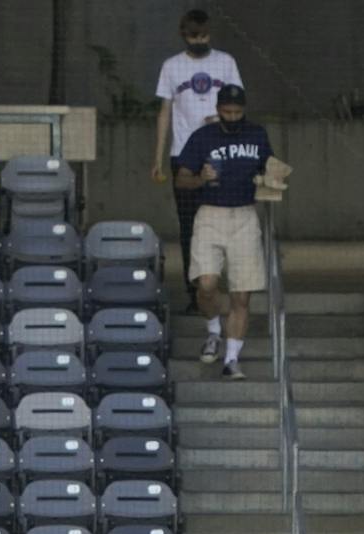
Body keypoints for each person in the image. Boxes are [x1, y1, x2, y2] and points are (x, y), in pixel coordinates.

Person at [175, 83, 272, 380]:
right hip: (210, 213)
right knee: (205, 284)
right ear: (217, 110)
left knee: (241, 295)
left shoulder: (257, 134)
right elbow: (181, 180)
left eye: (237, 112)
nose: (232, 117)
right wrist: (201, 179)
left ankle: (231, 359)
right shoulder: (202, 137)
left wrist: (271, 180)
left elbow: (271, 168)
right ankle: (213, 330)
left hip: (245, 214)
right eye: (227, 111)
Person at [151, 9, 242, 311]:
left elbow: (238, 105)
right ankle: (195, 294)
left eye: (203, 36)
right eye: (193, 36)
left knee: (225, 221)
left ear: (210, 34)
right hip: (184, 156)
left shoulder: (225, 62)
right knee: (190, 226)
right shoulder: (172, 66)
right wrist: (159, 157)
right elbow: (165, 112)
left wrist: (220, 119)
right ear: (183, 35)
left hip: (220, 151)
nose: (199, 41)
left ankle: (223, 285)